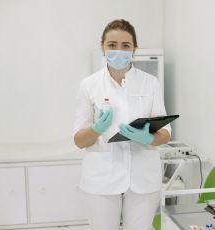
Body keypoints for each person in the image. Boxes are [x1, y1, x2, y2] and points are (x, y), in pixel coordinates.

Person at [73, 19, 171, 230]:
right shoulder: (89, 85)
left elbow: (166, 132)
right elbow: (79, 140)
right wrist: (96, 129)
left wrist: (149, 138)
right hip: (101, 178)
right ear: (102, 47)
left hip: (143, 178)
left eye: (125, 45)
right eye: (112, 45)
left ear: (134, 48)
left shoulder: (150, 82)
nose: (119, 50)